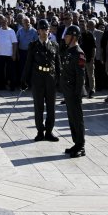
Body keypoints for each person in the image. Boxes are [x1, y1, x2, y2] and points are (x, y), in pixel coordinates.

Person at [24, 20, 60, 142]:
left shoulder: (55, 45)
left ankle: (49, 131)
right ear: (38, 31)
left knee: (51, 107)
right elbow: (28, 63)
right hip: (38, 79)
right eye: (41, 30)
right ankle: (40, 131)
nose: (44, 32)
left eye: (46, 29)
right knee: (38, 106)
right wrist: (24, 79)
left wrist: (59, 80)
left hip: (50, 79)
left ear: (48, 31)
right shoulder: (33, 45)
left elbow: (58, 65)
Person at [59, 24, 86, 157]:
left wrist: (78, 93)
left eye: (67, 35)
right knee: (71, 118)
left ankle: (81, 145)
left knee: (77, 118)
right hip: (68, 90)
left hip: (74, 92)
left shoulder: (79, 53)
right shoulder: (68, 51)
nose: (65, 38)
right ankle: (76, 143)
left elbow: (80, 76)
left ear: (74, 37)